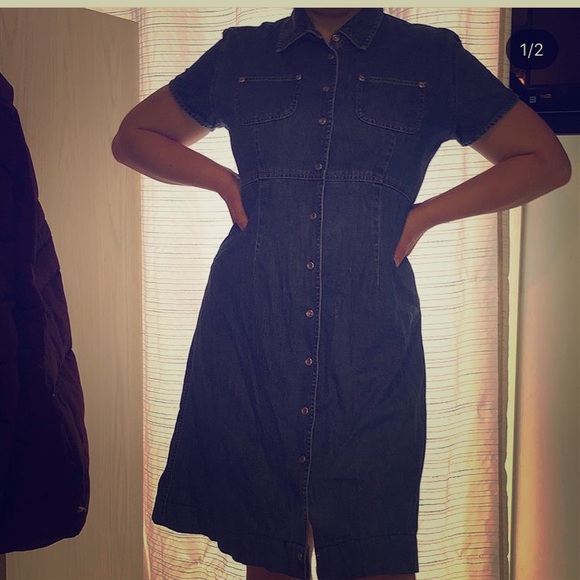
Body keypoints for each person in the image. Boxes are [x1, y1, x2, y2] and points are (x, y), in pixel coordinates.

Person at [112, 8, 571, 580]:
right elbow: (133, 137)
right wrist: (226, 183)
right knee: (270, 547)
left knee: (374, 546)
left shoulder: (430, 57)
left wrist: (424, 216)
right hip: (255, 329)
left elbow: (545, 161)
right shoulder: (241, 54)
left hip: (371, 344)